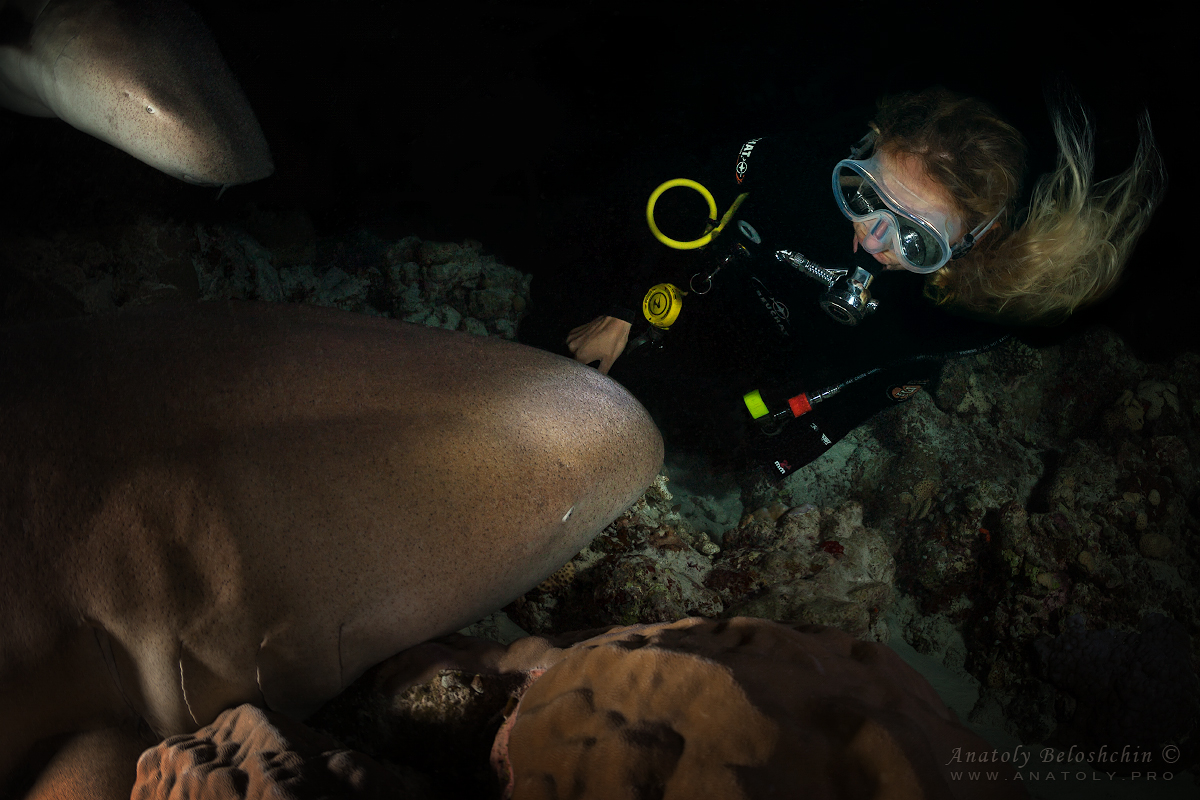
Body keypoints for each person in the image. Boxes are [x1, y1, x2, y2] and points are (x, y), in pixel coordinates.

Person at [519, 87, 1165, 479]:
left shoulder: (957, 314)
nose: (871, 240)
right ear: (862, 150)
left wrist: (779, 455)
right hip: (698, 294)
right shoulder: (800, 163)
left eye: (917, 241)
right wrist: (626, 305)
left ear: (966, 247)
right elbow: (690, 193)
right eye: (863, 196)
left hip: (758, 377)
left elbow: (876, 383)